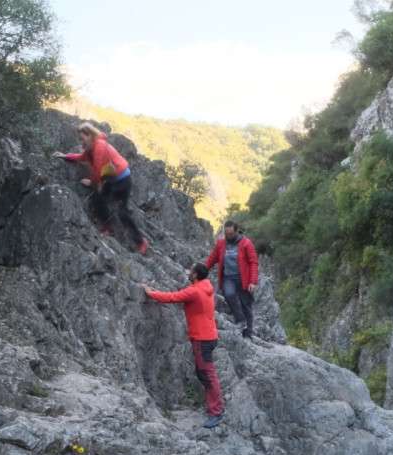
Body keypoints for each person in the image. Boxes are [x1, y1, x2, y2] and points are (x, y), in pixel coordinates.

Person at [143, 263, 224, 429]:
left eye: (191, 271)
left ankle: (216, 411)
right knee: (204, 373)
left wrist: (150, 293)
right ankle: (214, 407)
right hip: (209, 336)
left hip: (202, 338)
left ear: (195, 275)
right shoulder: (205, 286)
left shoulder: (194, 291)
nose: (188, 272)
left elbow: (172, 297)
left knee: (207, 374)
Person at [53, 122, 149, 255]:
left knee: (122, 212)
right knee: (98, 199)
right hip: (111, 178)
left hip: (122, 180)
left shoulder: (99, 146)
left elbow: (98, 171)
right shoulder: (91, 148)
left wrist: (91, 182)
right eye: (80, 139)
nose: (81, 142)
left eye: (82, 138)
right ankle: (108, 228)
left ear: (90, 135)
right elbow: (81, 157)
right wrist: (65, 156)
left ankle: (141, 242)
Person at [206, 221, 259, 338]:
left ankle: (248, 332)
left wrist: (253, 281)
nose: (228, 236)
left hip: (243, 278)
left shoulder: (246, 243)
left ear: (236, 231)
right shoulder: (221, 244)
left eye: (230, 234)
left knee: (246, 305)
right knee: (229, 294)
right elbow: (212, 258)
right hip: (228, 277)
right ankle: (240, 320)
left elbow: (253, 263)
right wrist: (202, 270)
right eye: (226, 233)